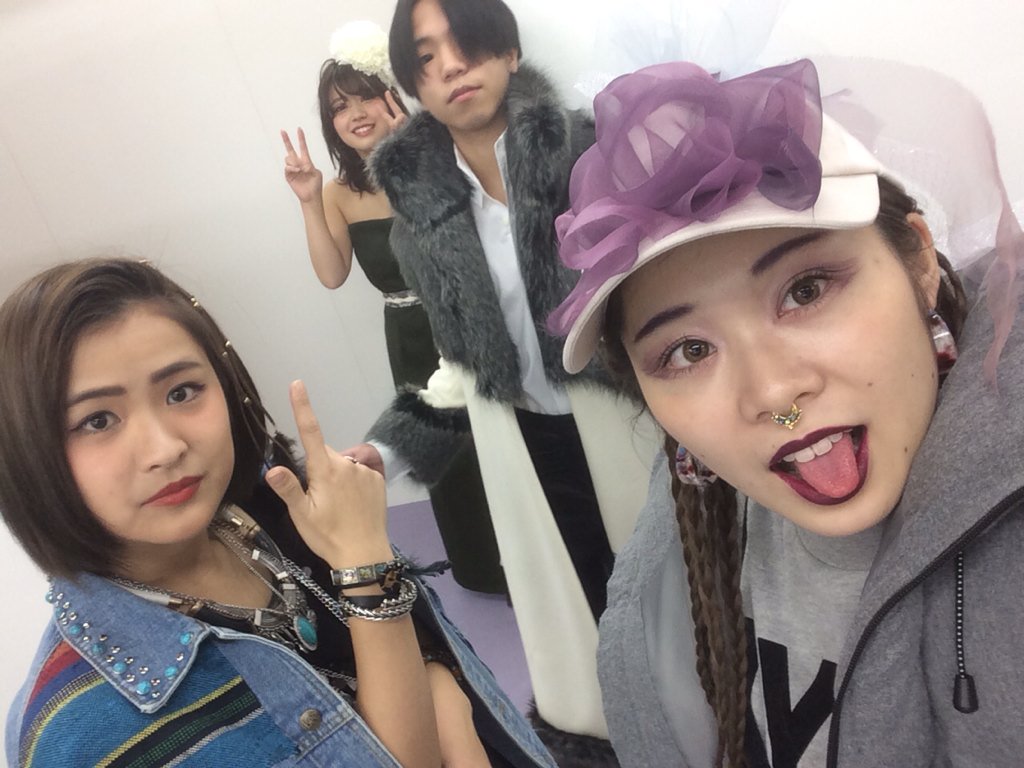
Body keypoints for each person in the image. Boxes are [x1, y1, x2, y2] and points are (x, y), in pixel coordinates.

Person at [550, 59, 1024, 767]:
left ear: (920, 262)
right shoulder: (690, 552)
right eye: (688, 351)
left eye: (805, 290)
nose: (773, 394)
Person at [1, 258, 559, 767]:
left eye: (182, 392)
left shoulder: (272, 515)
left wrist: (438, 679)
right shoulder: (78, 737)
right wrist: (367, 569)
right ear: (26, 454)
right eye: (97, 421)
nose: (165, 448)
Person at [344, 0, 657, 761]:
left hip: (633, 429)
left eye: (467, 42)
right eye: (426, 57)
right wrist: (381, 455)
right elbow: (463, 366)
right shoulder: (421, 220)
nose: (451, 65)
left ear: (509, 51)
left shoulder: (590, 155)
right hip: (528, 446)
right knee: (584, 613)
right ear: (414, 83)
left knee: (674, 603)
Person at [281, 20, 504, 595]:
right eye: (339, 107)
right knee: (443, 447)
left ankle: (530, 555)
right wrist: (308, 200)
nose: (355, 113)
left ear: (393, 97)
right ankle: (482, 567)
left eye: (365, 97)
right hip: (407, 334)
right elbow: (331, 275)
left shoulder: (444, 157)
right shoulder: (337, 192)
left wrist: (421, 156)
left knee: (500, 433)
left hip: (468, 317)